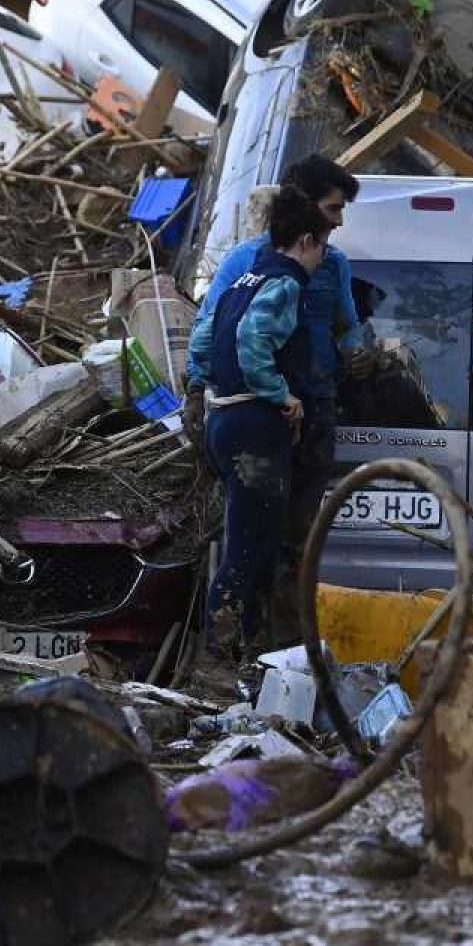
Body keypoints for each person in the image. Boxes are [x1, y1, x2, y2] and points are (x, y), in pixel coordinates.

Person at [182, 157, 367, 637]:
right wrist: (202, 392)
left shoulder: (335, 265)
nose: (339, 221)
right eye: (332, 208)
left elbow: (348, 329)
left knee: (295, 541)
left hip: (310, 414)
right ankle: (239, 646)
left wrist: (364, 356)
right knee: (251, 537)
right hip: (264, 416)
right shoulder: (254, 266)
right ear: (302, 211)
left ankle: (282, 652)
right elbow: (222, 334)